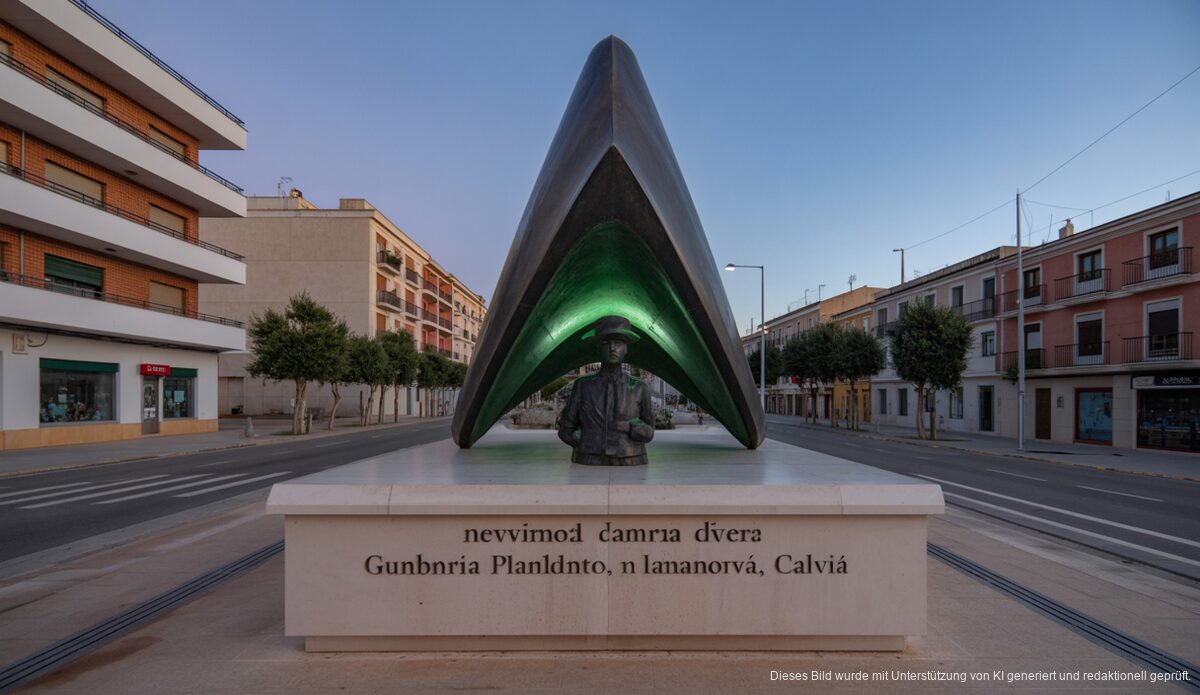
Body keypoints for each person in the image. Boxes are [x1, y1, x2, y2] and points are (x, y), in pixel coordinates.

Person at [557, 315, 655, 466]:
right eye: (606, 343)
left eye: (618, 343)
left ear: (626, 349)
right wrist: (588, 441)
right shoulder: (583, 386)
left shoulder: (639, 388)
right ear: (598, 348)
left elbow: (649, 432)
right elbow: (565, 429)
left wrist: (630, 427)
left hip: (630, 459)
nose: (612, 348)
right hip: (588, 458)